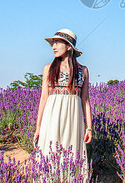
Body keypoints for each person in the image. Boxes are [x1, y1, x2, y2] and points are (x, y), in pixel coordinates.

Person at [33, 28, 92, 181]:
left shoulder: (83, 70)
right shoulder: (48, 69)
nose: (53, 46)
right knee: (49, 151)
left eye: (57, 43)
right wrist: (38, 127)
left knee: (72, 151)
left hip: (74, 118)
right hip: (52, 116)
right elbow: (44, 98)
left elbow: (85, 100)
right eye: (53, 43)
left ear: (68, 47)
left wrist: (89, 127)